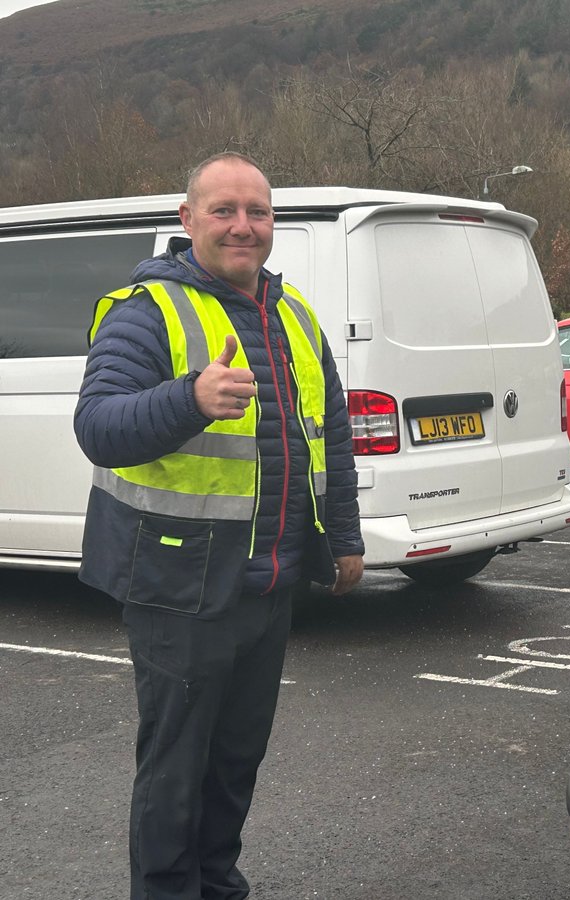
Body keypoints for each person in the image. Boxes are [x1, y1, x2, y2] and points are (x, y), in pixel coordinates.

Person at [74, 151, 365, 900]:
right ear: (187, 220)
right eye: (224, 211)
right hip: (177, 585)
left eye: (257, 212)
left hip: (267, 584)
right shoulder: (146, 308)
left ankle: (217, 884)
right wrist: (187, 399)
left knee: (236, 760)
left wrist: (347, 538)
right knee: (175, 769)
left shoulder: (292, 313)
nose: (243, 226)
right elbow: (99, 426)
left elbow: (326, 430)